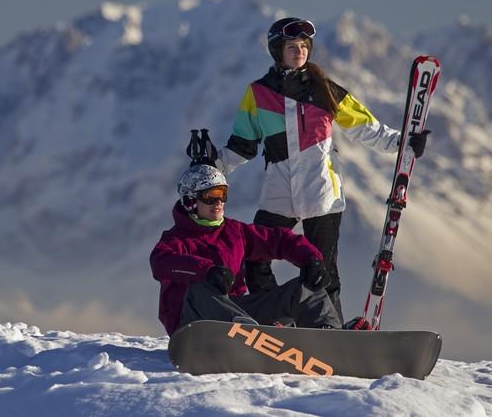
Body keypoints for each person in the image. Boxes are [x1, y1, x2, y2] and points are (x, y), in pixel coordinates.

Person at [216, 17, 429, 323]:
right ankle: (275, 323)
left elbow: (367, 127)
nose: (299, 51)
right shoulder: (258, 94)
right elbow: (242, 146)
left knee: (322, 269)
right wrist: (213, 163)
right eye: (292, 47)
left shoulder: (324, 89)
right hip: (279, 189)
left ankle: (329, 334)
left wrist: (404, 141)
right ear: (277, 50)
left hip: (321, 192)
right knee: (255, 258)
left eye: (304, 46)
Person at [149, 155, 343, 336]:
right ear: (190, 201)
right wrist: (205, 271)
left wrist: (310, 260)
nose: (218, 202)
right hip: (193, 324)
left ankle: (327, 336)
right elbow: (161, 263)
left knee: (304, 289)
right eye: (210, 196)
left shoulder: (235, 231)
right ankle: (244, 333)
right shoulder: (175, 239)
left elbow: (280, 239)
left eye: (222, 194)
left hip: (238, 314)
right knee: (199, 289)